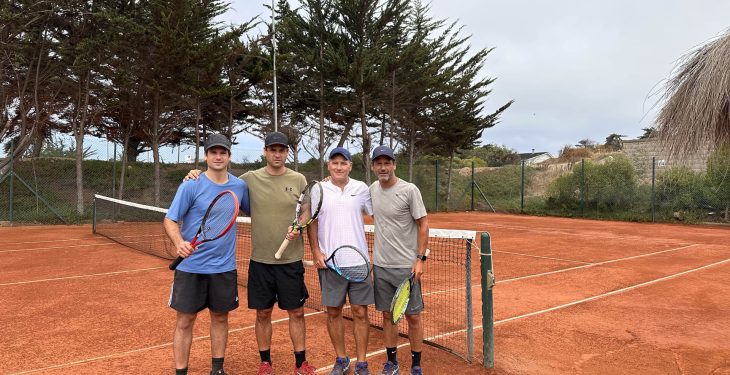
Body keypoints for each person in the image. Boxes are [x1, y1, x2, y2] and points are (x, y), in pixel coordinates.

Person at [186, 131, 316, 375]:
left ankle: (301, 363)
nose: (277, 154)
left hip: (291, 261)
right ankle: (265, 362)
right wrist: (195, 174)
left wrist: (299, 226)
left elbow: (306, 210)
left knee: (297, 312)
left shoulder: (299, 179)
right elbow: (220, 181)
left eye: (282, 150)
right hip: (260, 261)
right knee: (263, 313)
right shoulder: (248, 179)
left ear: (287, 153)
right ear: (265, 152)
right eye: (272, 150)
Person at [164, 133, 251, 375]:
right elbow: (170, 219)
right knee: (184, 321)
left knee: (221, 319)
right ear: (206, 156)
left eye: (223, 152)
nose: (218, 156)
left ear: (229, 156)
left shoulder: (240, 186)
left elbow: (260, 208)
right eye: (214, 152)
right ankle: (181, 371)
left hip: (223, 268)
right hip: (190, 268)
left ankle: (218, 369)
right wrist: (179, 242)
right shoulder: (191, 184)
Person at [308, 147, 374, 375]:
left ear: (350, 166)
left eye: (343, 163)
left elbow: (378, 214)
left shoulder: (362, 189)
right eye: (334, 163)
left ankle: (362, 363)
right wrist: (316, 251)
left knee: (360, 312)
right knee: (334, 312)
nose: (338, 167)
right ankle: (341, 359)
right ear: (328, 166)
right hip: (330, 263)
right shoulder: (319, 189)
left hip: (359, 262)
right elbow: (312, 222)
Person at [369, 146, 429, 375]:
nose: (383, 167)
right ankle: (392, 362)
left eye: (387, 162)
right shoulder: (372, 189)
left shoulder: (409, 190)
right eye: (378, 163)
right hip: (381, 266)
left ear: (394, 165)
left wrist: (420, 259)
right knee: (387, 315)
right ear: (373, 166)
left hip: (406, 267)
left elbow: (423, 223)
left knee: (413, 316)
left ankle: (416, 365)